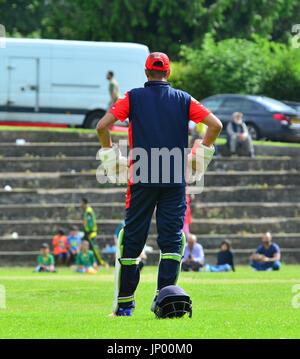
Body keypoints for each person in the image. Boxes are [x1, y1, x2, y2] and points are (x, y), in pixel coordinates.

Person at [97, 52, 222, 316]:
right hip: (175, 180)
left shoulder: (132, 97)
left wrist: (110, 156)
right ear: (169, 72)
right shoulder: (184, 99)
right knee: (173, 242)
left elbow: (102, 126)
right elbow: (215, 125)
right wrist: (199, 157)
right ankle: (165, 302)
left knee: (130, 243)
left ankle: (125, 308)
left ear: (146, 73)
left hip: (141, 177)